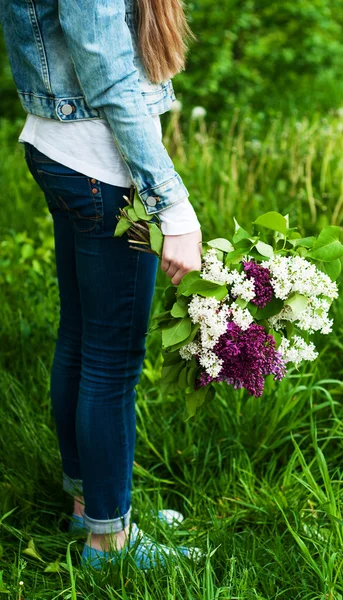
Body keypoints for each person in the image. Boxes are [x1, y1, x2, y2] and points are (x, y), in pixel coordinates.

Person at [0, 0, 203, 569]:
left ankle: (91, 505)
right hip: (106, 174)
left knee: (84, 338)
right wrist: (174, 207)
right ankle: (108, 543)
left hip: (59, 149)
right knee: (113, 360)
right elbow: (107, 68)